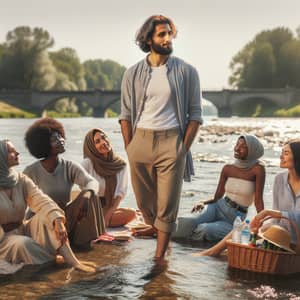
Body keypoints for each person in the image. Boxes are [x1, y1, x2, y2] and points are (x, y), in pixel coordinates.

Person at [119, 15, 203, 258]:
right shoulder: (132, 73)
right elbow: (125, 114)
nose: (168, 38)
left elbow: (195, 115)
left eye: (169, 33)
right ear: (148, 39)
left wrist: (182, 149)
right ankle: (159, 234)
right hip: (140, 142)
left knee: (167, 206)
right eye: (161, 34)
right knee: (146, 206)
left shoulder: (187, 72)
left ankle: (159, 259)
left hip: (172, 142)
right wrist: (130, 148)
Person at [0, 139, 96, 273]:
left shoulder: (21, 179)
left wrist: (57, 220)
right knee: (23, 244)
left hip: (22, 228)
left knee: (47, 217)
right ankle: (55, 262)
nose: (17, 153)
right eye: (11, 151)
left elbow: (41, 200)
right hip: (3, 240)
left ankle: (72, 261)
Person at [196, 139, 300, 256]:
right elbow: (276, 220)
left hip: (298, 241)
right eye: (281, 152)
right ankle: (211, 253)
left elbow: (280, 214)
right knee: (244, 227)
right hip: (280, 236)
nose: (281, 157)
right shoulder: (279, 179)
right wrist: (260, 229)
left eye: (286, 154)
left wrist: (268, 213)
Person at [23, 118, 105, 248]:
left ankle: (82, 243)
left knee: (91, 195)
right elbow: (18, 201)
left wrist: (86, 195)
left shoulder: (69, 166)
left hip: (64, 219)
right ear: (43, 144)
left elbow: (92, 182)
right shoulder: (30, 171)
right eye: (54, 139)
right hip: (41, 223)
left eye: (61, 137)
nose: (61, 140)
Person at [172, 134, 265, 242]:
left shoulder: (258, 170)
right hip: (217, 207)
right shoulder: (228, 168)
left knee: (204, 229)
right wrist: (203, 202)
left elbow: (258, 200)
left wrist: (260, 224)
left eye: (243, 147)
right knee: (187, 222)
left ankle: (183, 249)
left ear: (252, 150)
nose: (237, 148)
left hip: (234, 219)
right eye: (237, 144)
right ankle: (161, 236)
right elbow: (218, 196)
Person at [82, 128, 136, 227]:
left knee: (132, 213)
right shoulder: (87, 163)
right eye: (97, 141)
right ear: (91, 147)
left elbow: (120, 193)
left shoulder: (120, 165)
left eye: (104, 137)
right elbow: (81, 191)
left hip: (109, 206)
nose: (103, 142)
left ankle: (99, 222)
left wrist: (109, 213)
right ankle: (94, 221)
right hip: (89, 208)